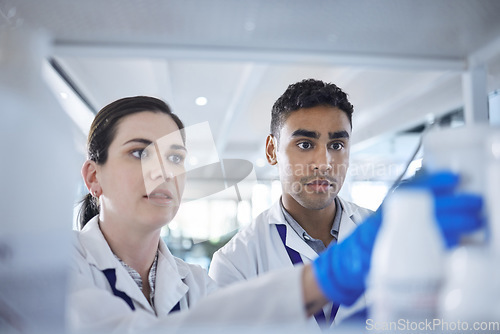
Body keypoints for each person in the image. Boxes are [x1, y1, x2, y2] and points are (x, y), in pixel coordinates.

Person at [68, 95, 482, 333]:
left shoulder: (192, 284)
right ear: (94, 177)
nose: (163, 171)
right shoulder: (59, 264)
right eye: (140, 152)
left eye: (175, 155)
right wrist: (326, 278)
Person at [208, 79, 482, 328]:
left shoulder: (383, 235)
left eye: (337, 145)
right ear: (272, 151)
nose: (324, 164)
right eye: (305, 144)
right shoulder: (235, 262)